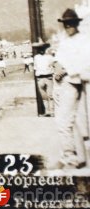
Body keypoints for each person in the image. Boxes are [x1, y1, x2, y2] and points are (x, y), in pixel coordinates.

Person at [53, 9, 90, 168]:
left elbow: (85, 62)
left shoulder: (84, 40)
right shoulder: (65, 40)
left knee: (67, 121)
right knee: (66, 120)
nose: (68, 26)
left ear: (77, 23)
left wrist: (66, 70)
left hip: (76, 81)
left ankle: (71, 157)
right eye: (66, 24)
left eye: (71, 23)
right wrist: (57, 67)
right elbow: (59, 59)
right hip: (65, 82)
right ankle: (73, 156)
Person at [33, 43, 54, 117]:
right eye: (39, 49)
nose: (41, 50)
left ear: (45, 49)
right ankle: (47, 111)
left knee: (50, 95)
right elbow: (35, 67)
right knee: (44, 97)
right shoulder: (36, 57)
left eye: (42, 49)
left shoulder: (49, 57)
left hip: (48, 77)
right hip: (40, 78)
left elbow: (53, 65)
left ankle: (52, 111)